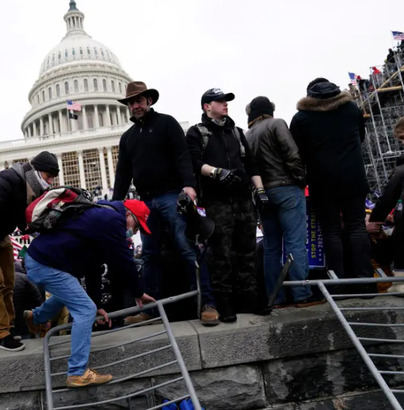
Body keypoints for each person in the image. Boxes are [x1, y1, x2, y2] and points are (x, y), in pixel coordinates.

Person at [23, 199, 155, 388]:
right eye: (136, 226)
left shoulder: (101, 215)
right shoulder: (112, 221)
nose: (134, 233)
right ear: (128, 215)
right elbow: (124, 261)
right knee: (85, 310)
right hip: (46, 264)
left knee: (72, 295)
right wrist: (138, 292)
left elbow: (93, 268)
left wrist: (98, 305)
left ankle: (36, 318)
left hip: (40, 260)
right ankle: (77, 372)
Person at [112, 81, 203, 324]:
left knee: (186, 246)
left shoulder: (167, 123)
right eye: (131, 102)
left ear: (149, 101)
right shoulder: (128, 137)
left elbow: (182, 155)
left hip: (171, 195)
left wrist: (189, 185)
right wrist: (115, 205)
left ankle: (206, 301)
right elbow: (123, 173)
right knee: (150, 254)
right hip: (146, 201)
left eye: (139, 100)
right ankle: (151, 311)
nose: (135, 105)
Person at [0, 151, 59, 351]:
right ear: (37, 172)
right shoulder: (5, 180)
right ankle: (0, 334)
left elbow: (22, 217)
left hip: (0, 233)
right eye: (48, 177)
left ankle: (9, 326)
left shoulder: (30, 186)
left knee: (9, 281)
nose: (49, 183)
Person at [186, 88, 266, 322]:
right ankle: (226, 304)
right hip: (216, 201)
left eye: (226, 101)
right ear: (206, 106)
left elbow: (252, 165)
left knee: (247, 251)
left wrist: (261, 192)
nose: (225, 104)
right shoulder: (196, 133)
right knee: (221, 254)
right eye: (219, 101)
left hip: (243, 201)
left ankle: (249, 299)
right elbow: (193, 161)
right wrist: (215, 172)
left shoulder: (237, 133)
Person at [290, 78, 374, 293]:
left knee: (331, 230)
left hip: (322, 180)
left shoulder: (302, 118)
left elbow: (297, 151)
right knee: (357, 226)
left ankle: (338, 285)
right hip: (354, 176)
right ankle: (365, 283)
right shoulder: (351, 109)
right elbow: (361, 137)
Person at [244, 96, 315, 307]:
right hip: (286, 188)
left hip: (263, 194)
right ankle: (302, 295)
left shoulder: (248, 135)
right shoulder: (277, 124)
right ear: (269, 110)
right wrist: (300, 179)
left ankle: (275, 298)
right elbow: (292, 154)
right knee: (295, 242)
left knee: (271, 247)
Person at [367, 118, 404, 269]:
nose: (401, 143)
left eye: (402, 138)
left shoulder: (401, 170)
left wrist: (375, 220)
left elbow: (388, 197)